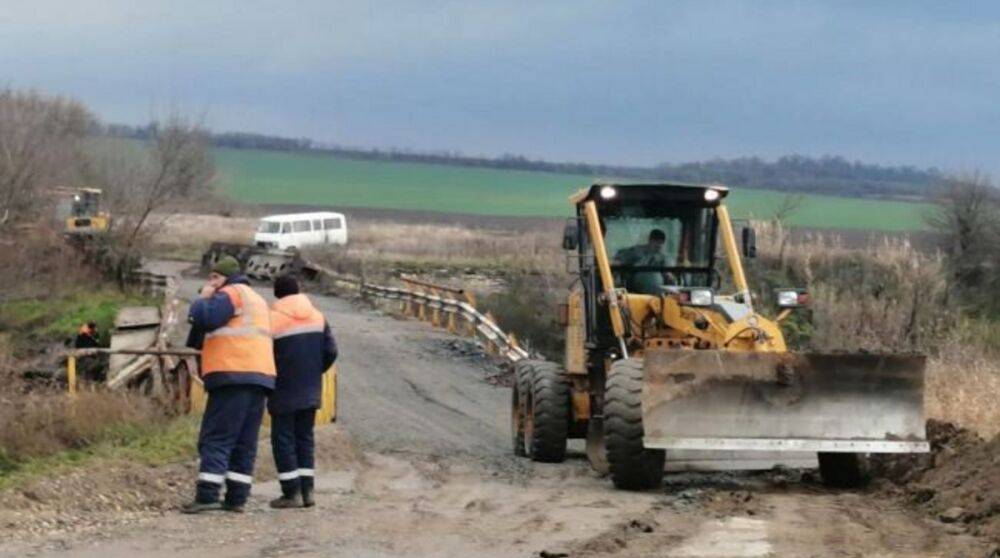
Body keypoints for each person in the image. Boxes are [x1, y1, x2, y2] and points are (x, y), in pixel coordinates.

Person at [182, 255, 276, 514]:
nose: (210, 283)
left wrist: (203, 297)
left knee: (217, 437)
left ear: (225, 277)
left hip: (232, 374)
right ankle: (237, 498)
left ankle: (207, 495)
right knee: (245, 442)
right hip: (260, 377)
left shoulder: (230, 294)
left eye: (214, 278)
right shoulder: (257, 299)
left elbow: (205, 317)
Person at [267, 274, 337, 509]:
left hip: (283, 388)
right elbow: (331, 351)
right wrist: (315, 371)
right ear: (298, 290)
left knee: (283, 439)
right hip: (310, 389)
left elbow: (264, 354)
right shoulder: (318, 316)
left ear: (277, 293)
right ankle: (308, 492)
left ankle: (291, 493)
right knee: (305, 438)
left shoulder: (272, 319)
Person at [613, 229, 671, 295]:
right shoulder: (637, 251)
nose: (659, 246)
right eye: (656, 242)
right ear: (650, 240)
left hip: (658, 291)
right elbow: (618, 262)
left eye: (661, 243)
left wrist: (669, 276)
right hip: (635, 289)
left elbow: (668, 273)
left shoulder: (662, 257)